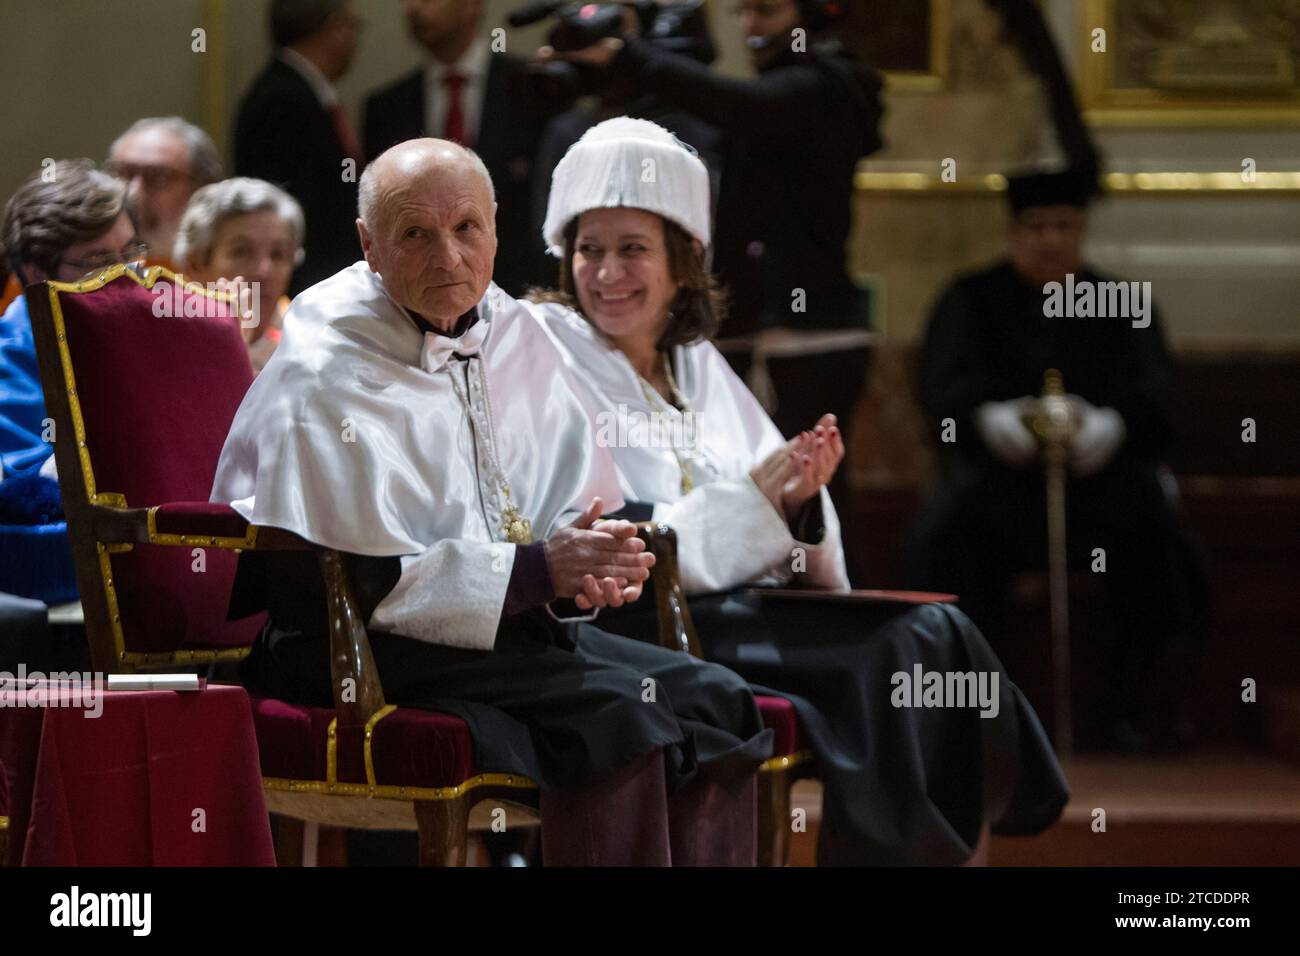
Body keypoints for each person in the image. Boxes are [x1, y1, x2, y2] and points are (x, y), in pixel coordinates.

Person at [211, 138, 772, 866]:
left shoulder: (512, 333)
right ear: (368, 245)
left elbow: (563, 506)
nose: (448, 257)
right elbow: (362, 579)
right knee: (622, 720)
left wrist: (589, 565)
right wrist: (542, 572)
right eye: (416, 233)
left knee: (719, 698)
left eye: (466, 228)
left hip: (498, 633)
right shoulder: (325, 367)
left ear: (497, 229)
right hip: (363, 644)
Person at [531, 117, 1069, 865]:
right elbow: (602, 529)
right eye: (588, 250)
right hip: (640, 630)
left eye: (632, 250)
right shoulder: (544, 348)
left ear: (682, 265)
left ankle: (950, 848)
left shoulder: (695, 364)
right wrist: (759, 504)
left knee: (938, 634)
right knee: (901, 649)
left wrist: (796, 498)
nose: (606, 273)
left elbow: (780, 507)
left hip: (738, 604)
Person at [903, 167, 1205, 751]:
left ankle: (1128, 710)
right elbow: (940, 393)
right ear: (1014, 232)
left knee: (1164, 550)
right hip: (999, 490)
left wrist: (1113, 425)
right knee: (943, 542)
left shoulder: (1124, 303)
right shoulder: (971, 299)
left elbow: (1161, 402)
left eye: (1064, 226)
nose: (1050, 240)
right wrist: (988, 418)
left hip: (1103, 492)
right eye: (1036, 227)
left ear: (1082, 230)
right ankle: (976, 715)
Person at [539, 0, 884, 443]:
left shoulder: (834, 83)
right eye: (743, 12)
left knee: (809, 487)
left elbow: (746, 105)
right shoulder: (773, 90)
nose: (749, 27)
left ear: (814, 14)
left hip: (813, 331)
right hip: (750, 326)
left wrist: (626, 54)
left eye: (766, 11)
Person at [0, 159, 144, 605]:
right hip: (58, 599)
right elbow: (23, 492)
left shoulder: (155, 335)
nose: (126, 276)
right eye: (99, 261)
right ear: (37, 273)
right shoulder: (12, 355)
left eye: (131, 254)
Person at [364, 0, 554, 296]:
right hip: (419, 304)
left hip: (520, 295)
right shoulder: (386, 107)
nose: (412, 8)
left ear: (472, 5)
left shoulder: (533, 90)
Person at [235, 0, 365, 292]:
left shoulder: (297, 91)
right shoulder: (283, 99)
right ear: (336, 28)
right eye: (354, 25)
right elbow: (284, 209)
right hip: (305, 287)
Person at [175, 178, 305, 373]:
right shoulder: (166, 348)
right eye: (241, 252)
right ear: (195, 264)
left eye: (278, 254)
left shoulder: (308, 349)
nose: (263, 271)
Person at [105, 117, 223, 270]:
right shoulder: (79, 273)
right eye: (122, 174)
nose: (133, 192)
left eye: (159, 178)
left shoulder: (225, 279)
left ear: (203, 188)